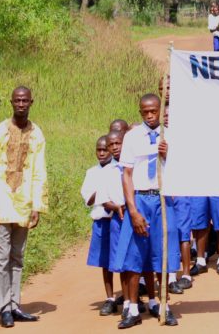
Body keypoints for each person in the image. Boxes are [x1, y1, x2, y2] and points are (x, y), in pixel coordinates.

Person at [0, 86, 47, 329]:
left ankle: (15, 305)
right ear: (11, 102)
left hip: (23, 203)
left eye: (25, 100)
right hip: (0, 202)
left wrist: (37, 206)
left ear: (32, 102)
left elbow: (40, 172)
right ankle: (3, 308)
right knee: (1, 258)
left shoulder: (37, 134)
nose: (21, 104)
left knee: (17, 257)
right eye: (17, 100)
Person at [115, 94, 179, 328]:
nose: (150, 115)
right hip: (141, 199)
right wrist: (132, 210)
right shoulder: (131, 137)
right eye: (146, 112)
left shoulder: (170, 135)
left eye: (154, 111)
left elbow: (183, 168)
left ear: (160, 111)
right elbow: (127, 175)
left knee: (162, 253)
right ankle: (132, 308)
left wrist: (169, 154)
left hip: (162, 199)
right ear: (140, 112)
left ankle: (162, 304)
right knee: (134, 255)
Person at [82, 135, 125, 316]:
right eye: (98, 150)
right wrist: (101, 190)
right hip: (102, 221)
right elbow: (89, 199)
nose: (101, 153)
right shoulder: (92, 172)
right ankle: (109, 298)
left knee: (123, 258)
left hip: (119, 219)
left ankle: (130, 296)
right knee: (105, 262)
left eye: (104, 149)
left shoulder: (119, 169)